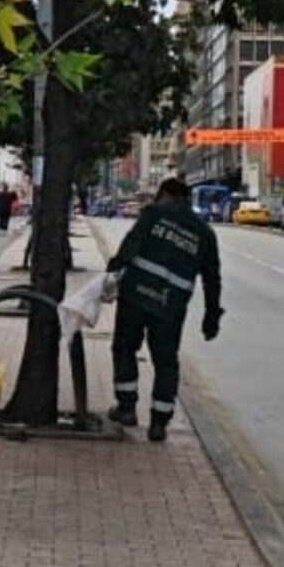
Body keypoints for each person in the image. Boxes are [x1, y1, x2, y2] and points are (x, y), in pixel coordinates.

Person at [105, 176, 224, 442]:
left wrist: (114, 268)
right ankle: (159, 423)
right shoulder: (204, 232)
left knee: (124, 347)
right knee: (166, 361)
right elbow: (212, 278)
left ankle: (126, 408)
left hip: (135, 295)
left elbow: (132, 242)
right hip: (171, 306)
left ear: (164, 195)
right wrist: (212, 315)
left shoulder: (153, 214)